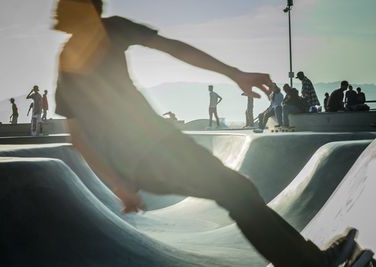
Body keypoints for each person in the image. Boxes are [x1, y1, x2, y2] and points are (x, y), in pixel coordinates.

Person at [53, 1, 356, 266]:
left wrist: (120, 182)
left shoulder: (83, 49)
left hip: (157, 149)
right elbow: (175, 49)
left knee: (240, 192)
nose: (55, 8)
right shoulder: (96, 41)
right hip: (152, 153)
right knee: (237, 193)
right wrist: (234, 74)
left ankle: (303, 261)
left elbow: (77, 136)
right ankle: (310, 263)